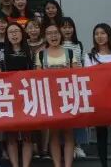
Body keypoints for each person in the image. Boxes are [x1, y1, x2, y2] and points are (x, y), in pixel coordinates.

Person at [84, 24, 111, 167]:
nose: (99, 36)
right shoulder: (90, 57)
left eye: (103, 33)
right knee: (101, 135)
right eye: (96, 33)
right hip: (99, 101)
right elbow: (88, 78)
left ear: (109, 35)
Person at [36, 24, 79, 167]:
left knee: (68, 132)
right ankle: (57, 164)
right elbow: (37, 77)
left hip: (68, 96)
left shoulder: (70, 53)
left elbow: (78, 74)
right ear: (45, 37)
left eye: (56, 33)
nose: (53, 36)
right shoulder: (41, 54)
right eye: (49, 33)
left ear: (61, 35)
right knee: (53, 133)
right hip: (50, 97)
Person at [0, 23, 34, 167]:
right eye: (10, 32)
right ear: (6, 36)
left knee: (27, 135)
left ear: (22, 33)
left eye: (16, 31)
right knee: (11, 135)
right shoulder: (1, 53)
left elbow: (35, 73)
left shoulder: (30, 51)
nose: (14, 34)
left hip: (26, 96)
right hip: (9, 96)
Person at [59, 17, 89, 159]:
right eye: (64, 27)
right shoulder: (56, 44)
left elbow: (82, 63)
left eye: (70, 27)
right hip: (61, 85)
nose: (67, 30)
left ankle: (78, 145)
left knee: (78, 116)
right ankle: (63, 146)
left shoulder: (78, 45)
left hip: (76, 84)